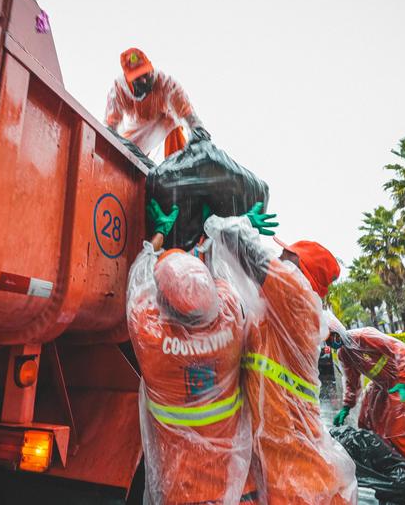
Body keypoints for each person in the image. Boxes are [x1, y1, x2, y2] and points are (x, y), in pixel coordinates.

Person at [204, 209, 357, 505]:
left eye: (287, 256)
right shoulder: (273, 317)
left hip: (304, 482)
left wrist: (240, 222)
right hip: (288, 473)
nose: (280, 257)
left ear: (299, 271)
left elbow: (238, 243)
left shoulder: (298, 300)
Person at [126, 199, 255, 504]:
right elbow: (220, 278)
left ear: (161, 303)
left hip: (180, 492)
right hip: (232, 487)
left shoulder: (150, 337)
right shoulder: (231, 321)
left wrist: (159, 233)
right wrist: (212, 240)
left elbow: (139, 277)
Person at [329, 317, 405, 480]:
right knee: (366, 423)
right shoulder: (344, 353)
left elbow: (398, 349)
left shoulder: (364, 336)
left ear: (337, 332)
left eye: (330, 338)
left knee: (400, 430)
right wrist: (347, 405)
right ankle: (391, 460)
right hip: (379, 385)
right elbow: (352, 381)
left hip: (398, 383)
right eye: (326, 341)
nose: (330, 343)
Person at [105, 48, 202, 159]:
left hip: (163, 119)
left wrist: (198, 129)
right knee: (126, 156)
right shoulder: (119, 90)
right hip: (137, 128)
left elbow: (185, 110)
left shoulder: (165, 83)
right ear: (128, 78)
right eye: (137, 78)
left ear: (150, 67)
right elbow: (111, 125)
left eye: (145, 74)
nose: (144, 81)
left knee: (173, 123)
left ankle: (179, 164)